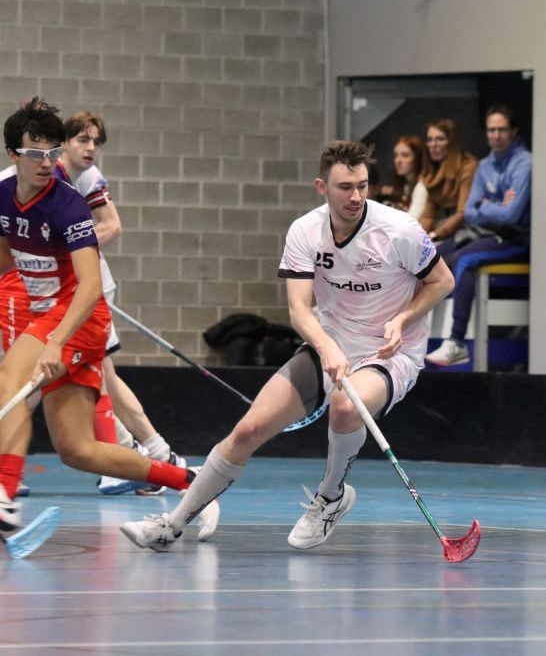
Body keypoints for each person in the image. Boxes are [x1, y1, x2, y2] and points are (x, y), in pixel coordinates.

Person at [120, 139, 455, 552]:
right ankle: (170, 526)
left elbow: (443, 281)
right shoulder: (305, 231)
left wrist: (402, 319)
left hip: (389, 351)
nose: (356, 196)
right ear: (321, 187)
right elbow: (299, 310)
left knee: (345, 406)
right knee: (249, 429)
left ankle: (331, 497)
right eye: (345, 187)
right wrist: (327, 347)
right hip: (330, 340)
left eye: (362, 186)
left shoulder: (399, 230)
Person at [0, 97, 217, 542]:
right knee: (77, 450)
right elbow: (5, 266)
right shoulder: (2, 198)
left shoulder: (67, 205)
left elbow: (90, 286)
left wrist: (55, 341)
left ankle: (3, 496)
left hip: (80, 316)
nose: (46, 162)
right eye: (35, 153)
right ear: (12, 155)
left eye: (52, 152)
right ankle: (191, 483)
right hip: (44, 315)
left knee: (10, 379)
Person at [56, 111, 186, 495]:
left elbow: (112, 225)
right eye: (83, 140)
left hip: (89, 287)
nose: (91, 148)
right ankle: (147, 455)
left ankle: (151, 457)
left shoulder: (88, 177)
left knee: (102, 375)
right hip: (58, 289)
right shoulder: (40, 177)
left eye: (95, 142)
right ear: (63, 143)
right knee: (68, 375)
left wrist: (63, 251)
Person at [425, 105, 532, 367]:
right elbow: (470, 213)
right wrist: (495, 206)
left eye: (501, 129)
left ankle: (457, 342)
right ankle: (406, 331)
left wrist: (485, 205)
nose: (496, 135)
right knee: (429, 256)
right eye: (491, 130)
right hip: (482, 234)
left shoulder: (525, 164)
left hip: (514, 239)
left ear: (514, 131)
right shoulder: (485, 166)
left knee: (465, 259)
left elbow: (511, 216)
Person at [418, 119, 477, 242]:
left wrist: (434, 235)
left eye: (440, 139)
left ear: (452, 142)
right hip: (445, 228)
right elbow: (428, 216)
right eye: (430, 140)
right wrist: (418, 237)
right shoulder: (432, 173)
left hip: (466, 228)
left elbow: (463, 212)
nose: (433, 145)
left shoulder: (468, 167)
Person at [378, 135, 427, 218]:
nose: (398, 160)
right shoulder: (403, 184)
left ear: (418, 158)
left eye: (405, 155)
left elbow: (411, 221)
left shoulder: (422, 186)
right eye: (395, 155)